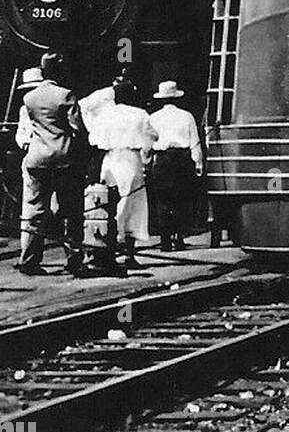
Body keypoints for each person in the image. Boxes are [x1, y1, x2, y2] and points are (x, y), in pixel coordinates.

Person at [15, 53, 87, 277]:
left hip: (37, 159)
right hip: (64, 160)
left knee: (36, 211)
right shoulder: (65, 95)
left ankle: (29, 260)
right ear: (59, 71)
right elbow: (77, 128)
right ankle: (74, 260)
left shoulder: (29, 99)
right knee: (70, 211)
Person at [90, 78, 157, 268]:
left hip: (110, 160)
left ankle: (108, 247)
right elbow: (153, 135)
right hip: (131, 160)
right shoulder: (139, 114)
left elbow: (94, 138)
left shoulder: (105, 115)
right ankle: (129, 253)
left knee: (108, 204)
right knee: (133, 206)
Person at [149, 81, 203, 251]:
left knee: (163, 200)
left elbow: (148, 143)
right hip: (182, 159)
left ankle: (165, 240)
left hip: (162, 159)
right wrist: (198, 162)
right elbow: (195, 142)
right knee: (181, 199)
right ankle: (179, 238)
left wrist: (146, 162)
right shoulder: (187, 116)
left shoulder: (154, 118)